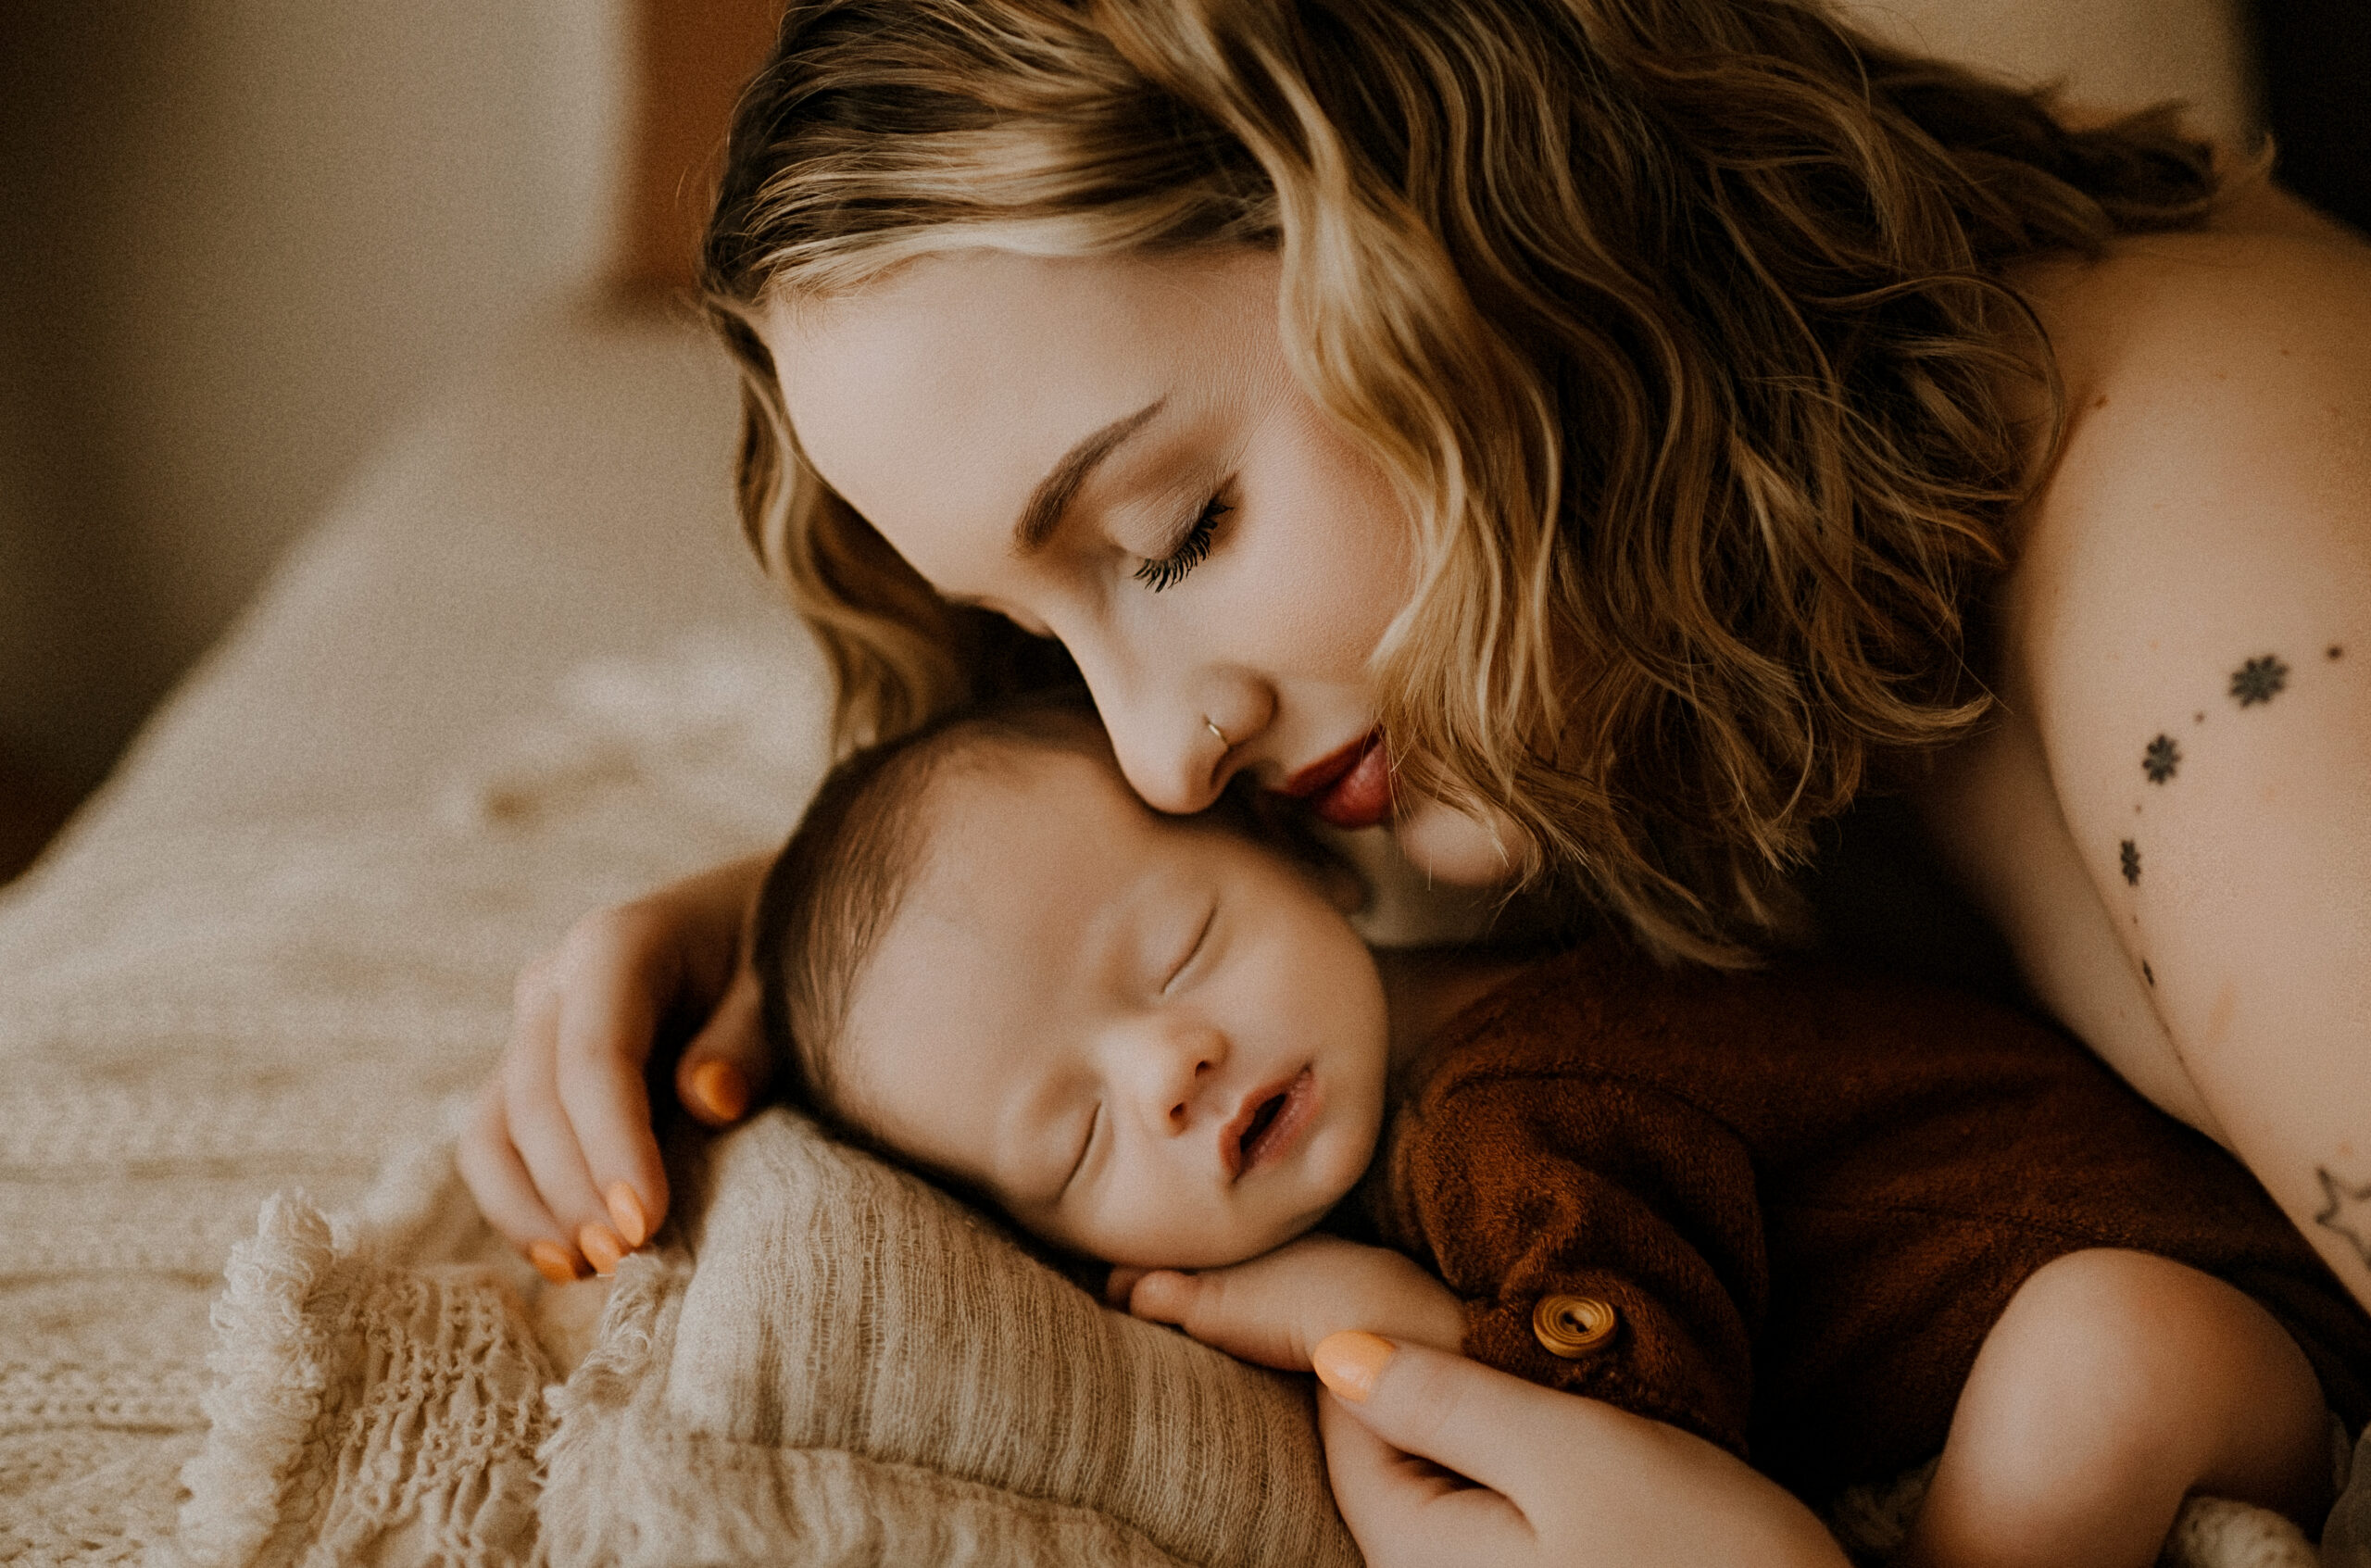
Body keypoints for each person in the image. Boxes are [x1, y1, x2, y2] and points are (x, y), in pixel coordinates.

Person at [459, 0, 2371, 1558]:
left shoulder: (2234, 632)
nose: (1157, 750)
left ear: (1465, 235)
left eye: (1176, 526)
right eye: (1045, 643)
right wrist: (847, 923)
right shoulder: (1603, 625)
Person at [727, 702, 2360, 1566]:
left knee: (2095, 1358)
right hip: (2068, 1321)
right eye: (1078, 1137)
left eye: (1180, 951)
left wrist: (1399, 1340)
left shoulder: (1513, 1101)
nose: (1172, 1065)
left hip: (2215, 1309)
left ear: (1291, 852)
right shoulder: (1437, 1040)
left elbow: (1636, 1439)